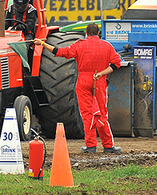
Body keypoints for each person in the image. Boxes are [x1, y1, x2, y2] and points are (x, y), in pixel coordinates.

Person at [34, 23, 122, 154]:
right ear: (98, 33)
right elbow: (116, 63)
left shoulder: (79, 45)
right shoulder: (107, 46)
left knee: (87, 115)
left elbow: (60, 52)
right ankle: (108, 145)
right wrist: (102, 73)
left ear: (86, 32)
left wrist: (42, 44)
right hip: (99, 80)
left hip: (83, 81)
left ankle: (91, 146)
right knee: (102, 114)